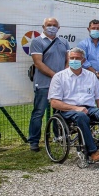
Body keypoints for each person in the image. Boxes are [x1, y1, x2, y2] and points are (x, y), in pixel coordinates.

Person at [48, 47, 99, 162]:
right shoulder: (59, 77)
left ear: (83, 60)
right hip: (68, 110)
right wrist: (76, 108)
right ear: (68, 59)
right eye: (72, 58)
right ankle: (92, 151)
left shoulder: (91, 76)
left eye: (77, 58)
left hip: (88, 108)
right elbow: (54, 102)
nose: (74, 60)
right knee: (81, 116)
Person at [27, 17, 70, 151]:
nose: (52, 27)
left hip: (60, 84)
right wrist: (56, 76)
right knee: (39, 112)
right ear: (43, 27)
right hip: (43, 83)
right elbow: (38, 63)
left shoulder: (63, 41)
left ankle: (59, 136)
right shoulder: (37, 41)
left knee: (59, 111)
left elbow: (68, 59)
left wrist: (64, 75)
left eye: (54, 25)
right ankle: (34, 141)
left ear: (59, 28)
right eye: (49, 25)